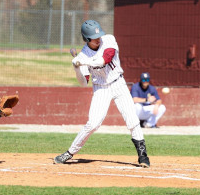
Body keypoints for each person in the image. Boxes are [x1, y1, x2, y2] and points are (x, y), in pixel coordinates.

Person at [54, 19, 150, 167]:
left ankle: (143, 156)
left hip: (118, 84)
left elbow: (104, 60)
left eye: (98, 35)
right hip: (100, 88)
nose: (98, 39)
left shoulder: (109, 40)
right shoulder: (83, 55)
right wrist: (77, 68)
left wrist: (84, 62)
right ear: (86, 39)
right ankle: (70, 152)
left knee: (132, 120)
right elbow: (83, 82)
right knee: (93, 123)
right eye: (94, 37)